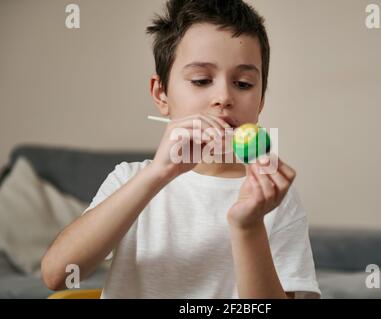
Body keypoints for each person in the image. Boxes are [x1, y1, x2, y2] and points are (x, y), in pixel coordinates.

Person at [41, 0, 321, 299]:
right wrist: (156, 175)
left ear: (261, 101)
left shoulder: (272, 197)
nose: (224, 97)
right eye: (201, 80)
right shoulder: (129, 178)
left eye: (243, 83)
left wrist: (248, 226)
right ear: (161, 94)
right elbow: (57, 274)